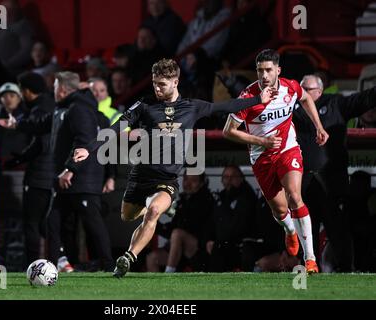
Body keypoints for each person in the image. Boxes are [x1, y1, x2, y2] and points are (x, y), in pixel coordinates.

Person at [71, 58, 277, 278]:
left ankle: (127, 258)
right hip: (141, 176)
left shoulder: (192, 107)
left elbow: (225, 106)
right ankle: (146, 207)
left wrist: (258, 99)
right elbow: (118, 126)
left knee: (153, 212)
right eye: (154, 83)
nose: (157, 88)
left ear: (176, 81)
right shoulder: (144, 105)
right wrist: (90, 149)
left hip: (167, 179)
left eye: (162, 84)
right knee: (127, 216)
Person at [223, 49, 329, 274]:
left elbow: (306, 97)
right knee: (281, 211)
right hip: (261, 157)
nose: (264, 75)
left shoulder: (290, 87)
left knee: (294, 196)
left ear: (277, 71)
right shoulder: (247, 98)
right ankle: (290, 229)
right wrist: (261, 140)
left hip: (287, 149)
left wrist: (318, 127)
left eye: (268, 70)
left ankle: (310, 258)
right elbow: (228, 131)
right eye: (260, 70)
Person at [0, 72, 114, 272]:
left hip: (82, 177)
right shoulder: (63, 108)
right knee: (53, 220)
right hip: (68, 178)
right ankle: (53, 265)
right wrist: (17, 124)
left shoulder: (79, 109)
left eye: (54, 87)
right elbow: (41, 124)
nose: (52, 91)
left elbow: (84, 141)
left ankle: (109, 264)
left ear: (61, 89)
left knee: (92, 221)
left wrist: (70, 169)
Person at [293, 74, 376, 271]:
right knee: (305, 231)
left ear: (320, 92)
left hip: (332, 184)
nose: (303, 93)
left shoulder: (335, 104)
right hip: (305, 184)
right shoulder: (293, 109)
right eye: (301, 89)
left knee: (339, 231)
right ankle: (305, 272)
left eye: (308, 89)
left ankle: (346, 271)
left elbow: (363, 99)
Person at [6, 72, 55, 265]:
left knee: (33, 223)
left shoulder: (38, 110)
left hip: (40, 176)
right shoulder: (51, 105)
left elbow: (41, 144)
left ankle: (35, 264)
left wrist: (20, 158)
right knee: (48, 223)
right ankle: (57, 261)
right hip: (53, 173)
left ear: (27, 90)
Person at [205, 165, 258, 272]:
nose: (229, 180)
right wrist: (209, 239)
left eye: (233, 176)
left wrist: (219, 241)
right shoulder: (221, 197)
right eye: (226, 177)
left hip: (238, 244)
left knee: (220, 248)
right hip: (221, 243)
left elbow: (240, 226)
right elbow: (211, 222)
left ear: (241, 178)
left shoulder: (247, 196)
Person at [164, 172, 214, 273]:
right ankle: (159, 288)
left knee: (177, 234)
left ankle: (167, 274)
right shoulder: (183, 200)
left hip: (200, 250)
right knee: (152, 258)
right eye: (186, 179)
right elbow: (172, 228)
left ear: (201, 183)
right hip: (180, 250)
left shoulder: (206, 200)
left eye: (193, 180)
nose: (188, 183)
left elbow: (188, 227)